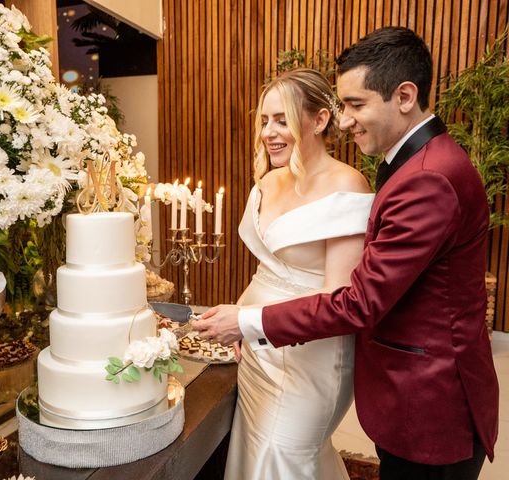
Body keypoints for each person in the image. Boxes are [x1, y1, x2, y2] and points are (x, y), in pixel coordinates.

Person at [194, 27, 499, 480]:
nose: (345, 120)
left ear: (404, 95)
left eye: (356, 105)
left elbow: (360, 300)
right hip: (396, 388)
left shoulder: (429, 176)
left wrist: (246, 322)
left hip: (430, 405)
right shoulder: (412, 163)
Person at [220, 67, 373, 480]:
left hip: (313, 356)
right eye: (265, 121)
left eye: (282, 120)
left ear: (320, 120)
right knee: (252, 453)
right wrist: (239, 320)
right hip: (255, 350)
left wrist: (248, 323)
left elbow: (340, 299)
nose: (269, 132)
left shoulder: (347, 186)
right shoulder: (268, 182)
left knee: (283, 455)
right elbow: (266, 269)